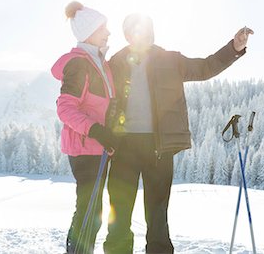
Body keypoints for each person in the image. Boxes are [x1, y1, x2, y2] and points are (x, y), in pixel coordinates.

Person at [103, 13, 254, 254]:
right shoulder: (116, 62)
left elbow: (205, 67)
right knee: (119, 212)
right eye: (135, 31)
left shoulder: (170, 60)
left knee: (158, 215)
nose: (140, 35)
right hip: (123, 147)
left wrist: (234, 48)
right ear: (128, 35)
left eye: (145, 30)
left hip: (158, 147)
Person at [51, 1, 118, 254]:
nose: (109, 32)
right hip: (85, 147)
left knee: (92, 211)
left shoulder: (98, 62)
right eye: (104, 28)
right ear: (90, 32)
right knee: (90, 211)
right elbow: (65, 108)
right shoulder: (79, 64)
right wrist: (97, 131)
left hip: (97, 148)